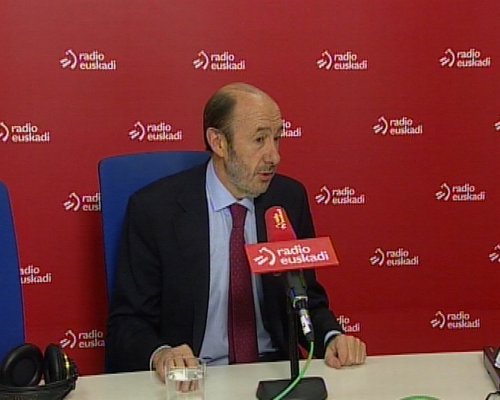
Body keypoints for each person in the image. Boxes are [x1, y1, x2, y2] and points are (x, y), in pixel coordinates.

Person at [106, 82, 366, 380]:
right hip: (193, 377)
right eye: (259, 140)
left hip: (273, 371)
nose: (274, 156)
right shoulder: (156, 210)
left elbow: (305, 299)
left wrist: (332, 338)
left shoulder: (288, 199)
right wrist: (163, 354)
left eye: (277, 139)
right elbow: (128, 322)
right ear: (219, 143)